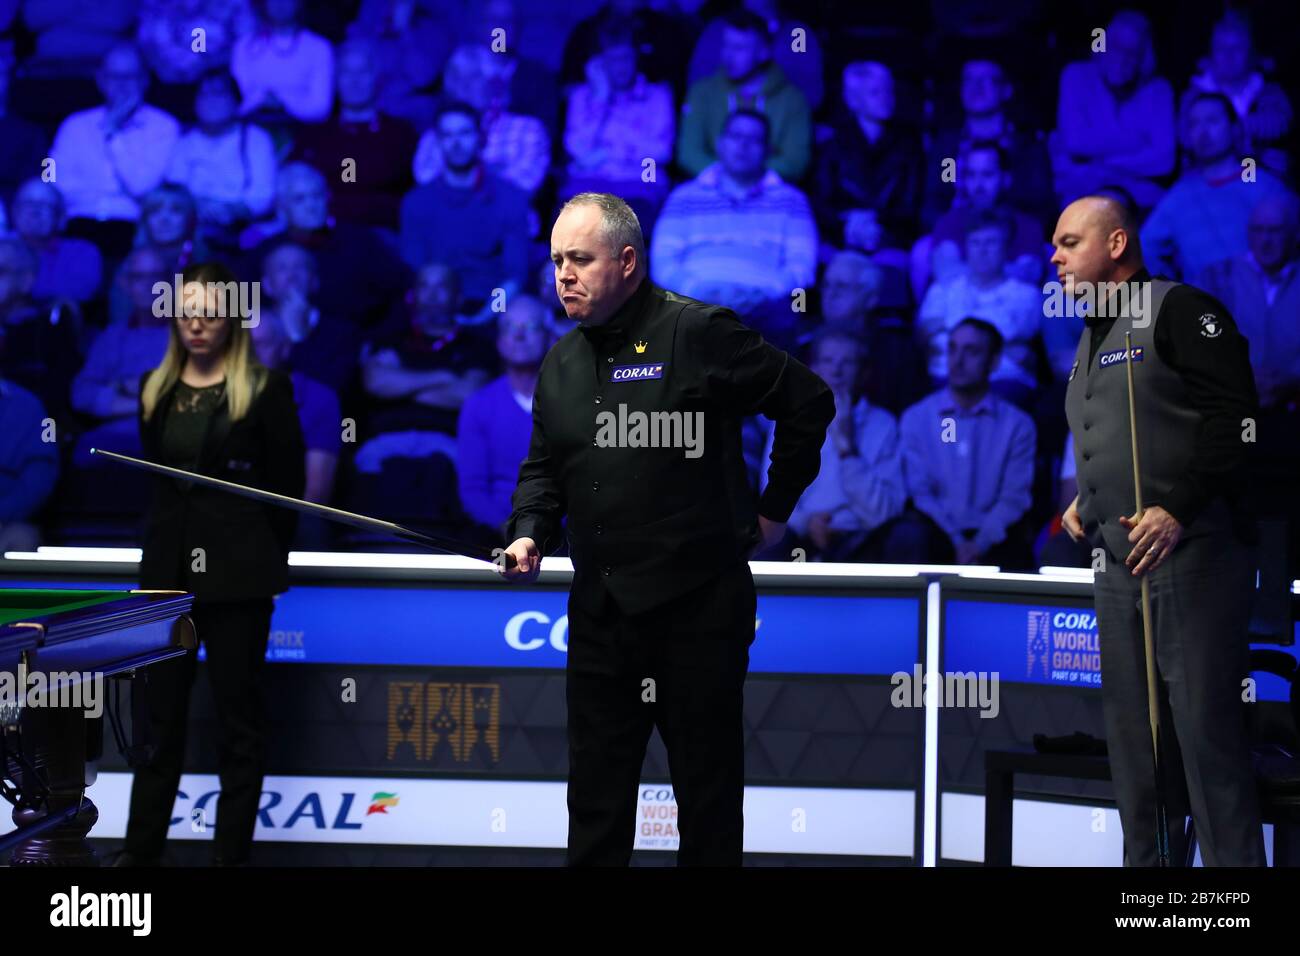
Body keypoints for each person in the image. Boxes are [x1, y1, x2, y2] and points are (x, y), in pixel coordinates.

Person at [500, 192, 834, 865]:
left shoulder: (697, 332)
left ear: (627, 260)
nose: (563, 274)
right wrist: (529, 528)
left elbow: (807, 401)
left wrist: (773, 509)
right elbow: (543, 468)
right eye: (557, 260)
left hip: (696, 611)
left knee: (706, 809)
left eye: (580, 260)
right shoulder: (560, 363)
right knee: (595, 809)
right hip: (599, 616)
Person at [1053, 194, 1265, 866]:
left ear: (1116, 245)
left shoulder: (1179, 309)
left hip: (1193, 561)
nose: (1054, 258)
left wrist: (1177, 506)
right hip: (1120, 572)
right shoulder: (1090, 332)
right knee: (1136, 758)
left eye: (1068, 242)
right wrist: (1087, 502)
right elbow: (1118, 430)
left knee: (1208, 751)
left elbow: (1237, 425)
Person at [117, 260, 305, 867]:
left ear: (233, 317)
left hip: (239, 581)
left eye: (210, 311)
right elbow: (162, 488)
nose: (197, 323)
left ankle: (230, 863)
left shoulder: (266, 388)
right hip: (167, 583)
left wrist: (255, 561)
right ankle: (138, 861)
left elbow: (287, 492)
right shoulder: (156, 387)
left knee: (238, 728)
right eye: (187, 310)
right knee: (158, 730)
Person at [650, 109, 817, 322]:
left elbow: (802, 265)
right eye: (735, 136)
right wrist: (700, 292)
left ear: (767, 150)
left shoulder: (792, 200)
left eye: (754, 139)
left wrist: (764, 293)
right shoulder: (684, 197)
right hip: (693, 304)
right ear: (720, 143)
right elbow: (663, 261)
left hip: (765, 306)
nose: (743, 145)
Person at [895, 318, 1036, 566]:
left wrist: (979, 544)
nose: (958, 361)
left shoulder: (1017, 425)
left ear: (993, 361)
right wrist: (957, 541)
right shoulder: (917, 418)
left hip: (995, 537)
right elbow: (920, 491)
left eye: (971, 351)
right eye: (952, 349)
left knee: (1018, 550)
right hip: (935, 533)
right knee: (910, 535)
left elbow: (1014, 497)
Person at [759, 328, 904, 562]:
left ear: (864, 372)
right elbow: (770, 495)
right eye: (828, 361)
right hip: (799, 534)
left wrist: (847, 448)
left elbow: (883, 513)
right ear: (813, 368)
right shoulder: (789, 418)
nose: (836, 371)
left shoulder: (883, 424)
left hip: (862, 537)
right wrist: (807, 522)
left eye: (847, 363)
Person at [47, 43, 181, 257]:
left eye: (130, 77)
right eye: (114, 77)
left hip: (134, 227)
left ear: (145, 80)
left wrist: (113, 134)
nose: (122, 85)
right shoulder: (74, 125)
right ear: (100, 80)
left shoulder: (164, 126)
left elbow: (141, 187)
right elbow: (53, 179)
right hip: (77, 221)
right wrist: (105, 195)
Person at [1140, 91, 1288, 281]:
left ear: (1235, 129)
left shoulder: (1261, 184)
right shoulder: (1180, 194)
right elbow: (1146, 249)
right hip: (1203, 307)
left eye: (1212, 121)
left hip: (1261, 303)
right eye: (1194, 123)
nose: (1202, 132)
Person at [1051, 9, 1174, 212]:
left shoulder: (1158, 90)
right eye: (1115, 47)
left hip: (1142, 202)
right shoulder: (1076, 76)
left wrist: (1099, 164)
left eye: (1132, 52)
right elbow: (1076, 141)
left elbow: (1164, 161)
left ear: (1143, 57)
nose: (1121, 58)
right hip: (1081, 197)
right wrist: (1137, 142)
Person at [675, 9, 811, 182]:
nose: (728, 56)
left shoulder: (793, 99)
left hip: (770, 191)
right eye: (726, 45)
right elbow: (688, 153)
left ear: (764, 52)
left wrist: (749, 179)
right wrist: (728, 179)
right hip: (711, 186)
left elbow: (795, 162)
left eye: (739, 48)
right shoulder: (701, 91)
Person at [456, 296, 551, 541]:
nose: (519, 336)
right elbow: (473, 490)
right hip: (496, 538)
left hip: (562, 536)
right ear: (499, 341)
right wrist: (511, 531)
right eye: (510, 327)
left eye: (530, 327)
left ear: (549, 339)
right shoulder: (478, 405)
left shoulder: (574, 402)